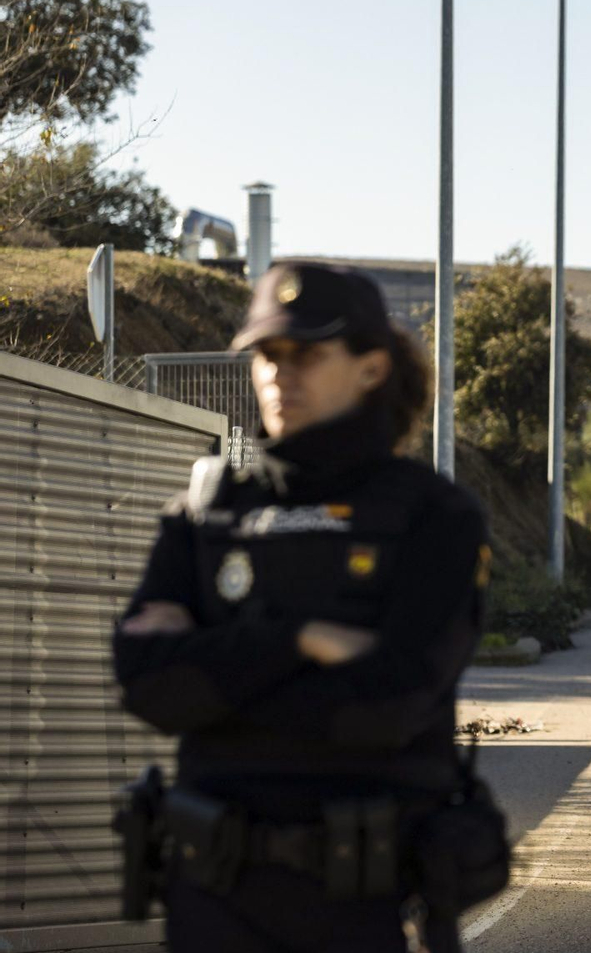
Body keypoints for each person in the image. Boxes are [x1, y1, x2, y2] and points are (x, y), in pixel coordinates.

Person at [112, 263, 491, 953]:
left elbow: (388, 703)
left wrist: (214, 678)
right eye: (267, 354)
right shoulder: (209, 510)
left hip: (365, 903)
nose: (279, 374)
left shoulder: (433, 516)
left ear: (371, 369)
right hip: (212, 899)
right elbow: (145, 682)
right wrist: (299, 642)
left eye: (307, 354)